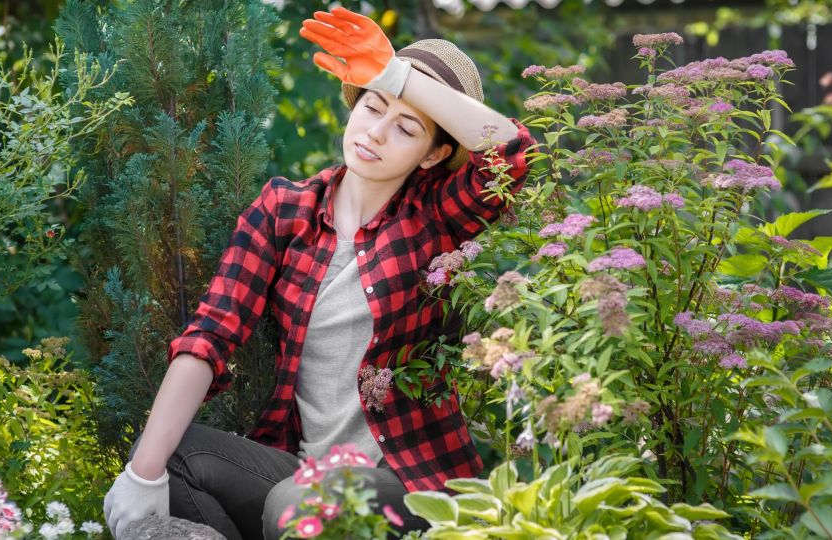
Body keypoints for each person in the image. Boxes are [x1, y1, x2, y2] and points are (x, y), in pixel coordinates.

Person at [103, 6, 534, 539]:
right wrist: (141, 475)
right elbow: (210, 337)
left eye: (405, 128)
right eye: (372, 107)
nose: (375, 133)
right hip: (301, 470)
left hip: (408, 482)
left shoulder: (437, 220)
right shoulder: (286, 210)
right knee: (168, 454)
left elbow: (514, 156)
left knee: (295, 502)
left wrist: (396, 75)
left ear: (433, 154)